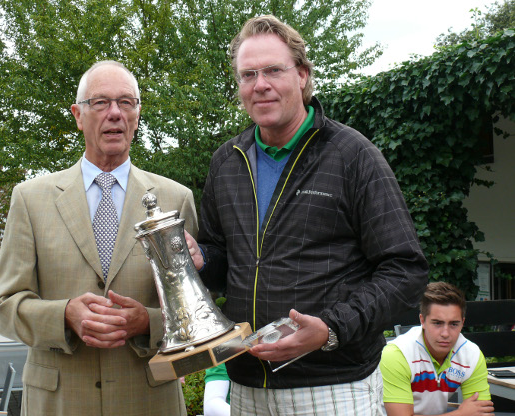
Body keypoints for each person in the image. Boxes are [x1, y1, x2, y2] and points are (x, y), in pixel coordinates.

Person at [184, 15, 428, 415]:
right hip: (246, 386)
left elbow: (405, 269)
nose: (260, 84)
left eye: (273, 70)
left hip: (332, 387)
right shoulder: (227, 162)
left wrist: (331, 329)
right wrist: (202, 260)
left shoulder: (353, 155)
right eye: (248, 75)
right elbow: (222, 258)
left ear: (301, 75)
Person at [0, 60, 197, 416]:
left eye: (126, 102)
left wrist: (148, 323)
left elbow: (196, 312)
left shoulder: (175, 199)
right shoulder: (30, 199)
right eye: (100, 103)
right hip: (58, 403)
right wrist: (64, 315)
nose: (114, 113)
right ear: (78, 115)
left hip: (148, 401)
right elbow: (2, 308)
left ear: (137, 114)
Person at [380, 282, 494, 415]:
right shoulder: (398, 353)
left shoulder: (471, 355)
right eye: (437, 323)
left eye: (453, 324)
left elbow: (481, 413)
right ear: (422, 321)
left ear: (462, 323)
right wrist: (460, 414)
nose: (445, 333)